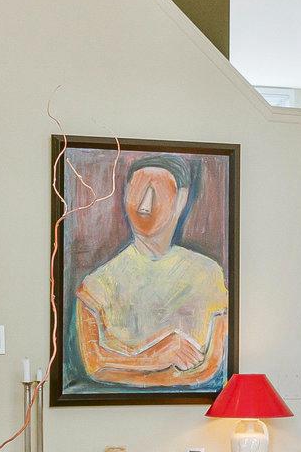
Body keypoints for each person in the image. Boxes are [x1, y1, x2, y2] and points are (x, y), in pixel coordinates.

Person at [73, 155, 228, 390]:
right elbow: (95, 365)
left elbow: (209, 368)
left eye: (157, 192)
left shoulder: (208, 275)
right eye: (137, 191)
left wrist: (128, 366)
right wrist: (156, 358)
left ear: (181, 199)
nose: (144, 205)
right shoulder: (97, 285)